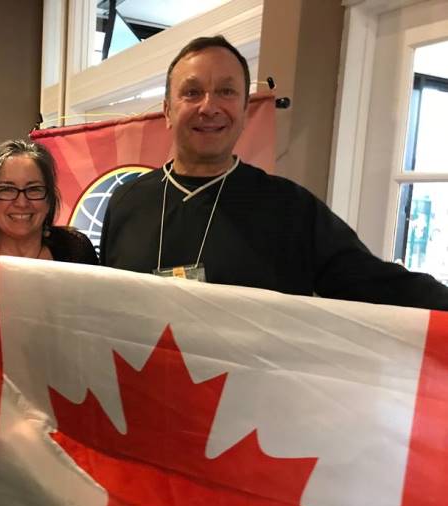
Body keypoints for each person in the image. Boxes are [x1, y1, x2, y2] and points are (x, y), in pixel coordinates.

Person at [100, 35, 448, 309]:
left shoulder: (290, 208)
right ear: (167, 111)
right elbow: (99, 308)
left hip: (249, 399)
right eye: (192, 92)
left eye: (226, 91)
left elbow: (377, 284)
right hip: (139, 394)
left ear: (244, 109)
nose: (209, 107)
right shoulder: (126, 202)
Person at [0, 139, 98, 264]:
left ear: (49, 199)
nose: (22, 202)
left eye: (34, 189)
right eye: (7, 189)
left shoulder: (75, 249)